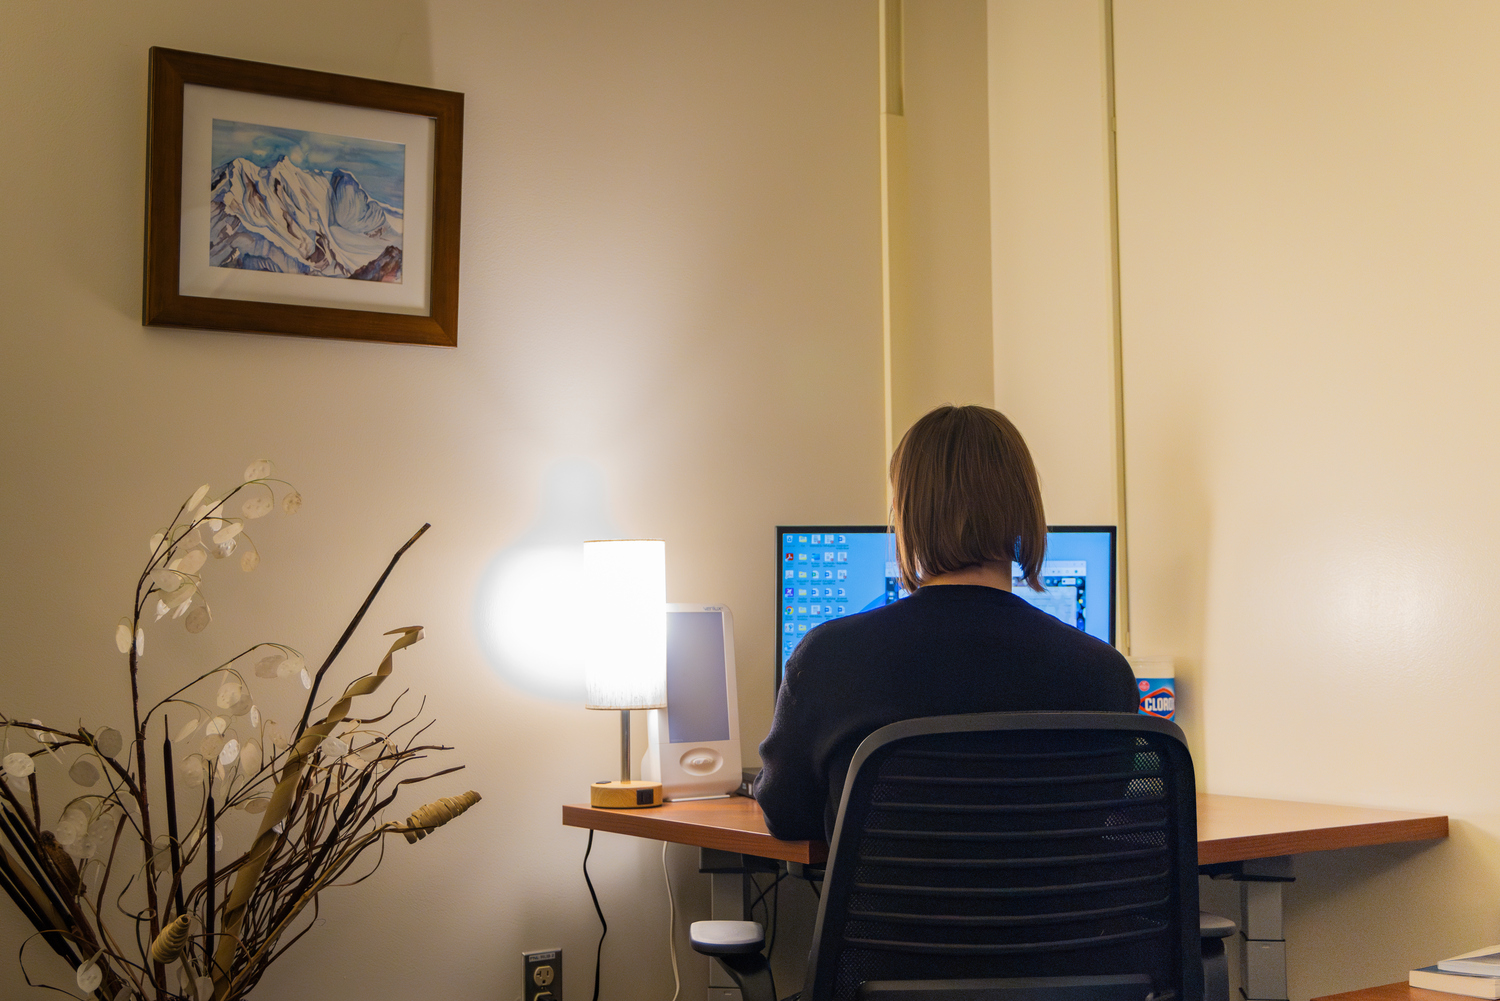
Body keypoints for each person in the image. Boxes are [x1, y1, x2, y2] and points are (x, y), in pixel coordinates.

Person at [753, 405, 1138, 841]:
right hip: (1061, 910)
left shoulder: (829, 657)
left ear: (904, 515)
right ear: (1027, 511)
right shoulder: (1104, 673)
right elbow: (1105, 815)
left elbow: (786, 817)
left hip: (891, 911)